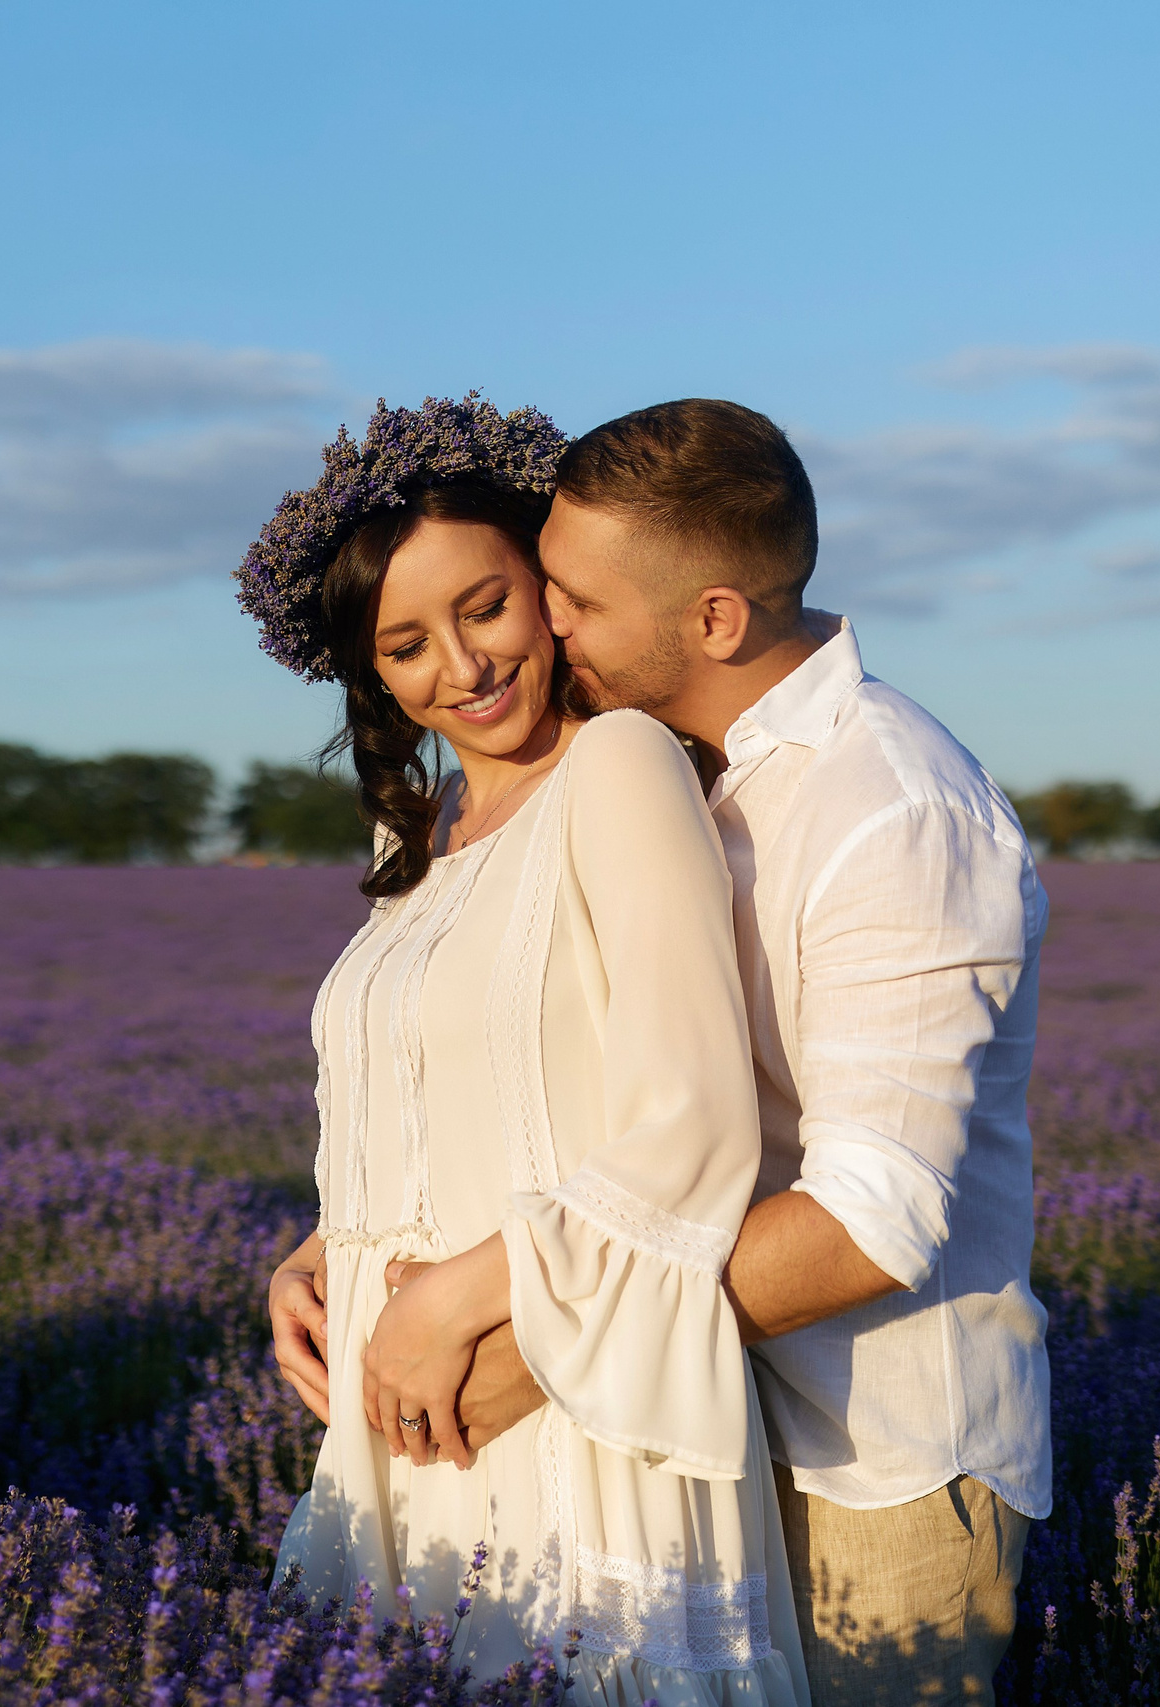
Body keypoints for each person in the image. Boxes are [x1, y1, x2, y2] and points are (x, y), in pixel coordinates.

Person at [394, 399, 1053, 1703]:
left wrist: (559, 1339)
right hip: (700, 1434)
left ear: (714, 620)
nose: (547, 625)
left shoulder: (893, 812)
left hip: (874, 1465)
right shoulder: (666, 769)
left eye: (574, 600)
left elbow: (873, 1221)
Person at [236, 395, 810, 1704]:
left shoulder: (615, 767)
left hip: (561, 1399)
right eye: (407, 643)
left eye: (485, 606)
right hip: (403, 1424)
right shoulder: (414, 839)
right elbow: (460, 1092)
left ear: (547, 594)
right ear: (371, 672)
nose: (465, 665)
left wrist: (449, 1295)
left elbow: (696, 1122)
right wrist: (329, 1249)